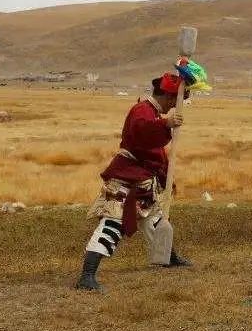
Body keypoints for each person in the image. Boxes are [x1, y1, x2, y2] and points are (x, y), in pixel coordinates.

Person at [76, 74, 192, 292]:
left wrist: (166, 178)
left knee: (155, 221)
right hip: (126, 181)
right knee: (113, 224)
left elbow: (155, 152)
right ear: (167, 97)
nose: (174, 106)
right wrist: (165, 124)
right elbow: (142, 131)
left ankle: (169, 257)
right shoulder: (142, 111)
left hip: (143, 182)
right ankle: (87, 275)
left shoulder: (152, 112)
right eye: (175, 101)